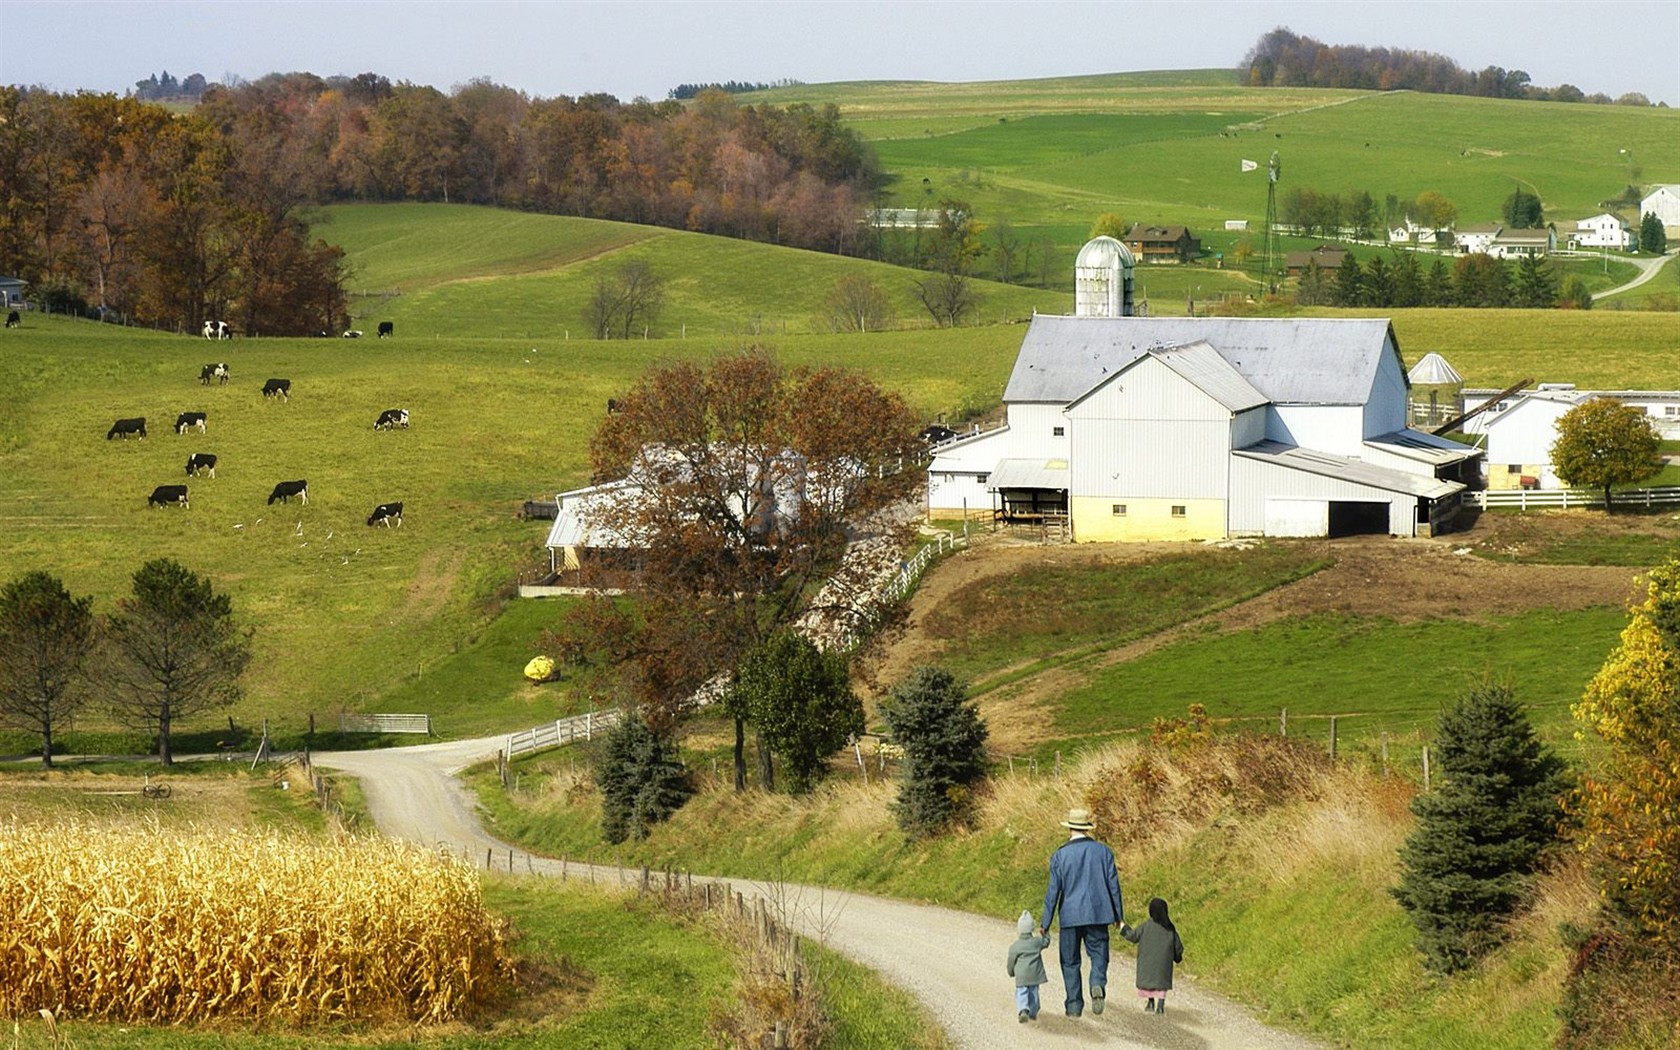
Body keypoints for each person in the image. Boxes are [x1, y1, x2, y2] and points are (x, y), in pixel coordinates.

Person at [1040, 807, 1123, 1017]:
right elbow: (1114, 885)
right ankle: (1097, 983)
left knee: (1070, 961)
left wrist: (1046, 922)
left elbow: (1053, 892)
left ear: (1069, 828)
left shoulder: (1060, 855)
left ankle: (1074, 1007)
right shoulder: (1104, 852)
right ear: (1087, 829)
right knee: (1099, 954)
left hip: (1070, 916)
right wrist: (1118, 915)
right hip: (1098, 914)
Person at [1121, 897, 1185, 1014]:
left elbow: (1133, 936)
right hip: (1163, 968)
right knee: (1161, 983)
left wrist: (1123, 927)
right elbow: (1178, 947)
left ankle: (1150, 1002)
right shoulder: (1170, 929)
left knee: (1150, 980)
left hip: (1147, 964)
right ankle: (1160, 1006)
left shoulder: (1146, 927)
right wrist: (1178, 957)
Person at [1006, 909, 1051, 1023]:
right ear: (1032, 929)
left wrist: (1011, 972)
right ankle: (1033, 1013)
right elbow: (1046, 943)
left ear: (1019, 930)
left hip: (1021, 976)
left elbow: (1011, 961)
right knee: (1034, 994)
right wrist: (1045, 934)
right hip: (1035, 975)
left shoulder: (1015, 946)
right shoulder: (1036, 942)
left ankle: (1023, 1010)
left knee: (1022, 992)